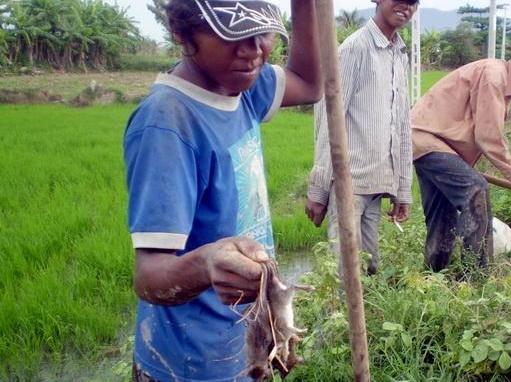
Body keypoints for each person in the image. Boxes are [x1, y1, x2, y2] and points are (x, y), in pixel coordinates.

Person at [123, 0, 321, 380]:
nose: (252, 49)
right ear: (182, 34)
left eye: (261, 33)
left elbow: (311, 85)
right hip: (192, 364)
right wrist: (208, 263)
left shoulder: (239, 84)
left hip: (241, 342)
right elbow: (149, 277)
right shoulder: (167, 124)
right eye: (231, 34)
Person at [410, 34, 511, 272]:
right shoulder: (494, 76)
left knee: (443, 214)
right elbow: (488, 138)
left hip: (431, 143)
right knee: (476, 191)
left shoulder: (502, 82)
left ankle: (432, 275)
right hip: (429, 140)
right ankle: (476, 276)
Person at [305, 0, 418, 275]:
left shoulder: (398, 54)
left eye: (413, 2)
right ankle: (338, 318)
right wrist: (319, 188)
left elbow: (402, 125)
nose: (406, 6)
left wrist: (403, 189)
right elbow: (328, 120)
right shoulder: (355, 49)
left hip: (377, 184)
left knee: (370, 268)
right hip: (349, 185)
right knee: (344, 272)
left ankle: (365, 319)